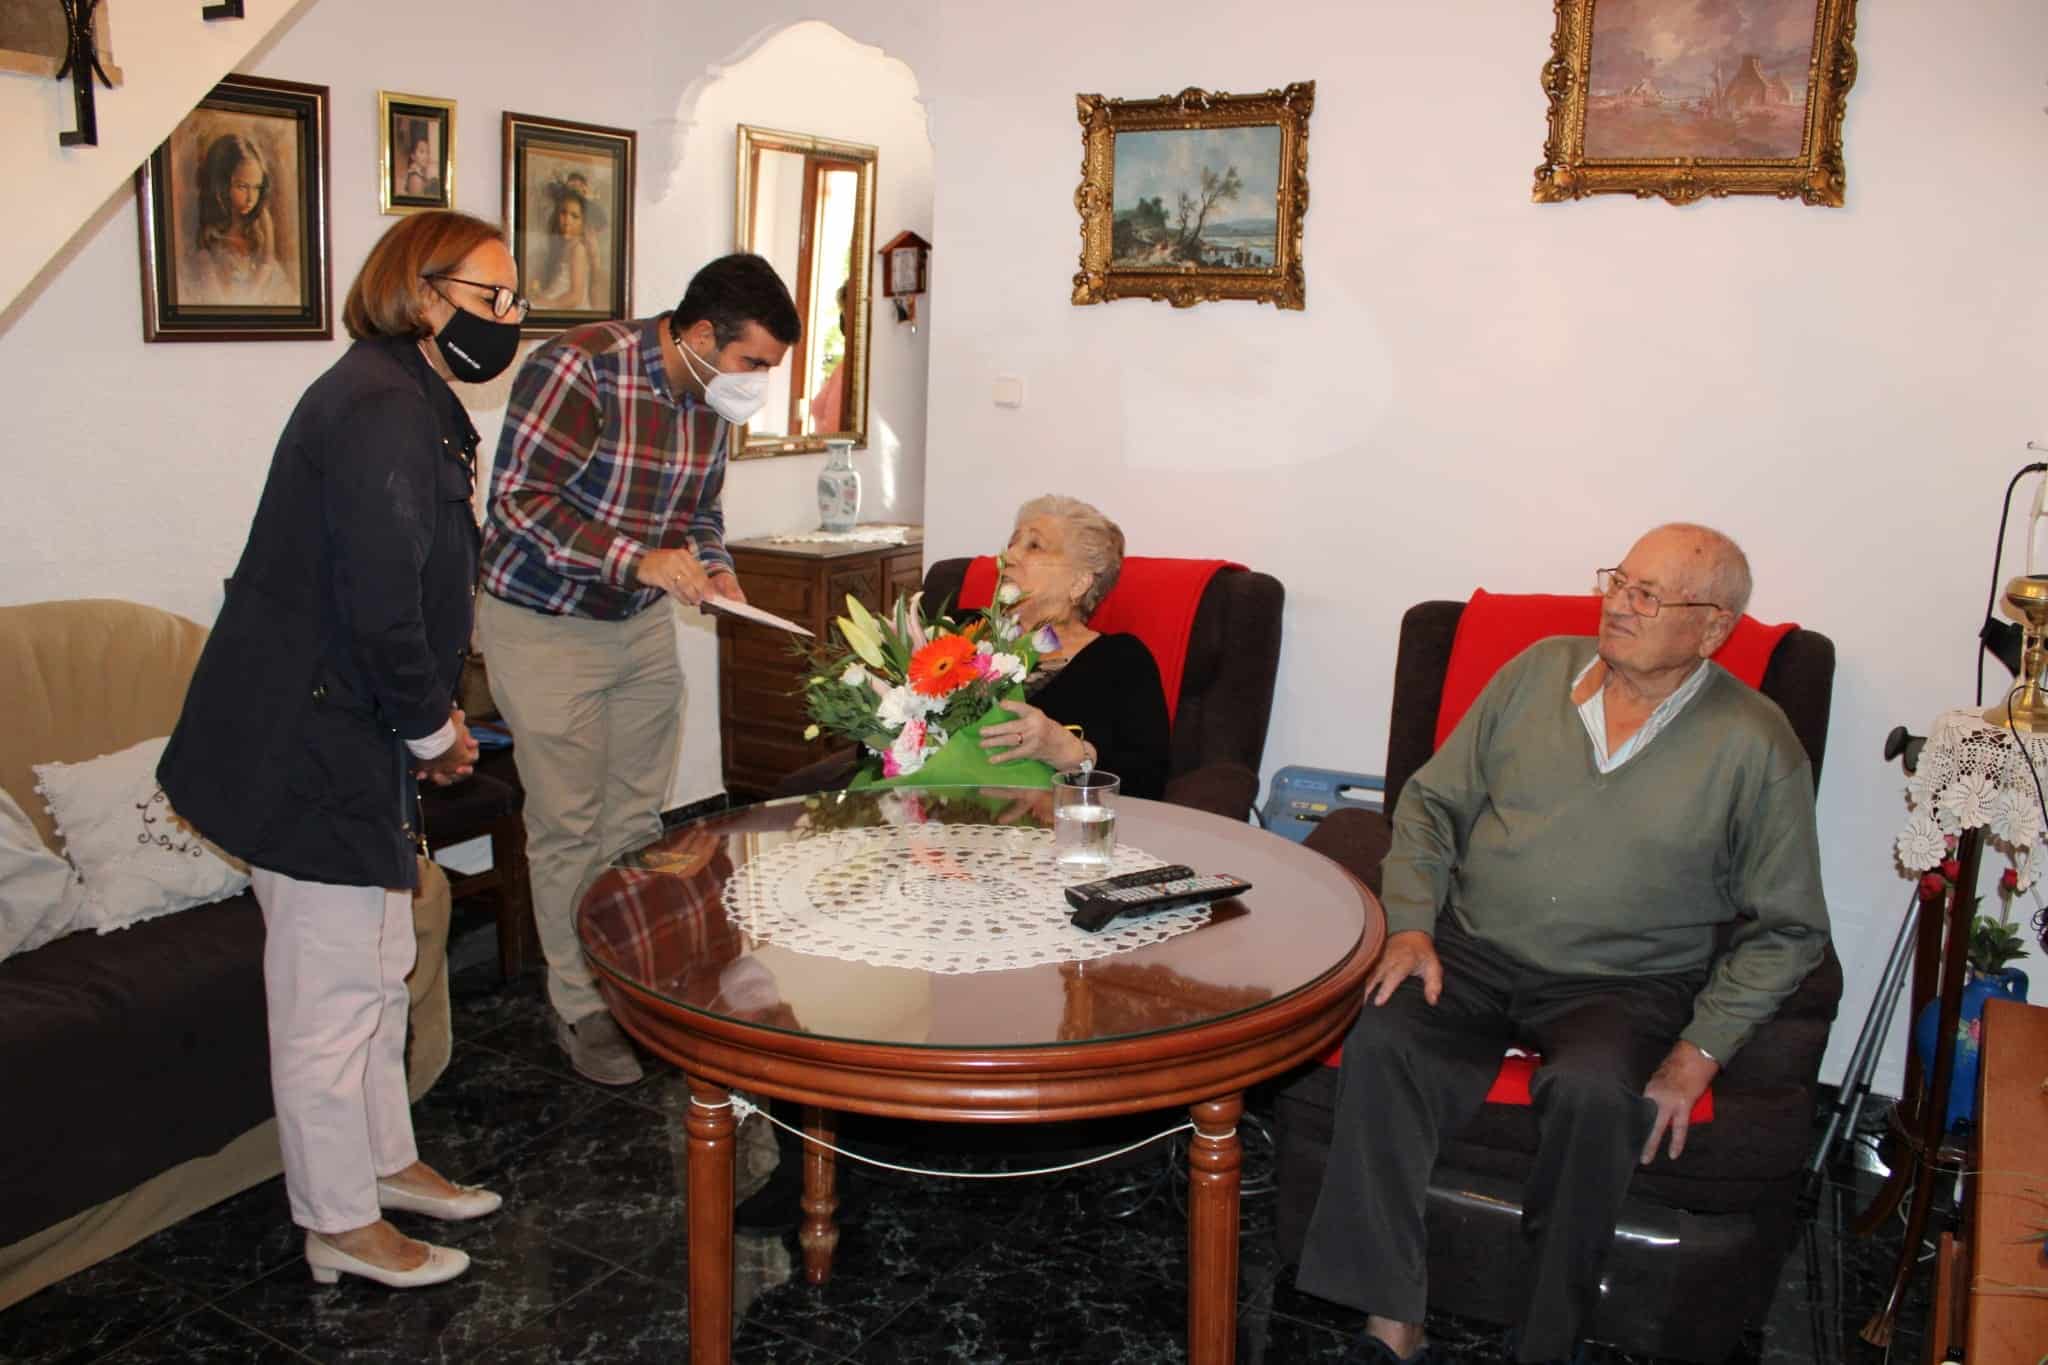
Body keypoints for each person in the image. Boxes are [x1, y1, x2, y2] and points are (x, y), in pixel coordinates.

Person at [1296, 523, 1830, 1364]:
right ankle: (1390, 1319)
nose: (1618, 602)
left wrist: (1700, 1050)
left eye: (1649, 595)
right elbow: (1432, 804)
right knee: (1386, 1031)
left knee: (1593, 1091)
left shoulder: (1756, 744)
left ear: (1715, 627)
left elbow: (1792, 927)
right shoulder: (1538, 672)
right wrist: (1410, 923)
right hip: (1475, 943)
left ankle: (1545, 1339)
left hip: (1625, 980)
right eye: (1619, 579)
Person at [157, 210, 527, 1289]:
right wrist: (434, 728)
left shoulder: (410, 393)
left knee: (377, 967)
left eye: (514, 303)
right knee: (327, 998)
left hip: (346, 729)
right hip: (299, 742)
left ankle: (383, 1163)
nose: (508, 321)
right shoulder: (374, 408)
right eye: (492, 297)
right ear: (424, 293)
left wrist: (417, 726)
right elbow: (379, 603)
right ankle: (336, 1223)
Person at [478, 252, 800, 1086]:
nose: (757, 384)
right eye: (752, 363)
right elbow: (518, 506)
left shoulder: (704, 399)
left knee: (633, 824)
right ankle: (580, 1007)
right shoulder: (579, 369)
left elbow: (700, 510)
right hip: (543, 625)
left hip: (637, 627)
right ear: (698, 335)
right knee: (568, 824)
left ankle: (633, 986)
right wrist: (638, 559)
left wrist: (714, 565)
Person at [976, 495, 1171, 800]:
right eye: (1012, 543)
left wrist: (1073, 754)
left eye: (1034, 545)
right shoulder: (963, 635)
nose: (1008, 556)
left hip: (1055, 833)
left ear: (1079, 583)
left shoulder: (1121, 661)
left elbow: (1148, 781)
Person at [184, 131, 292, 307]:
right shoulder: (208, 253)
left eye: (256, 188)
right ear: (221, 185)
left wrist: (268, 255)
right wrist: (266, 263)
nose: (251, 198)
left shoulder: (258, 241)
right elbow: (230, 306)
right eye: (242, 187)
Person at [528, 178, 601, 312]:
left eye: (574, 216)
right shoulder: (564, 246)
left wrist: (547, 304)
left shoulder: (578, 248)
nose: (567, 221)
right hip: (557, 297)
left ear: (584, 222)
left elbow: (575, 297)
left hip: (568, 305)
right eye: (563, 213)